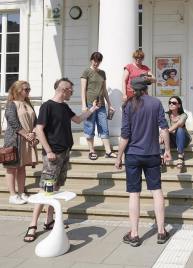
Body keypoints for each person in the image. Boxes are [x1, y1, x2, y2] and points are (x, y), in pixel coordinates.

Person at [23, 78, 99, 242]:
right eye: (71, 90)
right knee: (45, 190)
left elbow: (78, 119)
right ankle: (32, 225)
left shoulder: (64, 107)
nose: (72, 92)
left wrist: (93, 108)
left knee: (55, 188)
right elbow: (39, 129)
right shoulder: (47, 106)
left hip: (65, 152)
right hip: (53, 154)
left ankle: (49, 220)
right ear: (63, 89)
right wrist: (48, 150)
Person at [115, 77, 172, 247]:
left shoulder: (128, 105)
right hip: (152, 153)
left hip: (132, 154)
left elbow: (125, 135)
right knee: (156, 191)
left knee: (134, 194)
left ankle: (134, 234)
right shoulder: (155, 103)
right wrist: (167, 151)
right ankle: (161, 232)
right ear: (146, 87)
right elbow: (164, 129)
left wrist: (118, 156)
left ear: (132, 89)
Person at [3, 81, 38, 205]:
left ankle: (22, 193)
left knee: (22, 167)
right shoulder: (12, 104)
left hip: (27, 140)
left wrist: (33, 132)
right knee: (11, 168)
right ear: (18, 90)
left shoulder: (28, 103)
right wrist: (26, 134)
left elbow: (35, 121)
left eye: (29, 89)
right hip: (14, 140)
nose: (28, 91)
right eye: (26, 89)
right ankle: (12, 195)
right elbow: (12, 121)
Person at [81, 51, 116, 160]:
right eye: (94, 60)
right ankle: (91, 151)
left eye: (98, 61)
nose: (96, 63)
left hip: (101, 104)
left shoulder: (102, 73)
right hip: (90, 104)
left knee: (104, 127)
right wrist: (84, 105)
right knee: (90, 126)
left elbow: (104, 90)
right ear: (91, 60)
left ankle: (108, 151)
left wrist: (110, 104)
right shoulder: (86, 72)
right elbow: (83, 89)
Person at [160, 96, 191, 170]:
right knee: (160, 133)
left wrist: (165, 133)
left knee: (180, 129)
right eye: (170, 103)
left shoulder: (183, 115)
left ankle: (180, 156)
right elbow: (162, 127)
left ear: (179, 105)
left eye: (174, 103)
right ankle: (161, 158)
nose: (171, 104)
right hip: (172, 140)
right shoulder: (166, 115)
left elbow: (178, 124)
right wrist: (162, 135)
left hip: (184, 140)